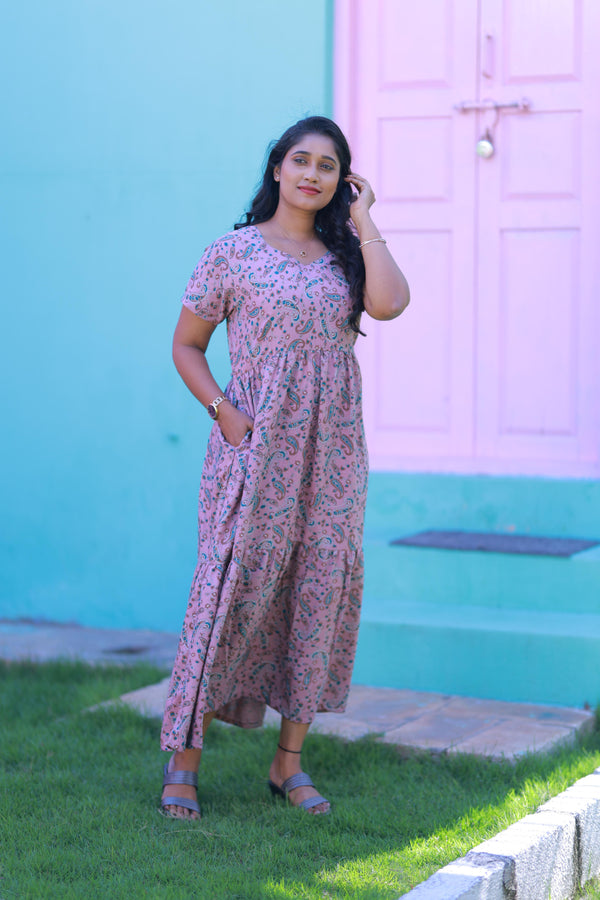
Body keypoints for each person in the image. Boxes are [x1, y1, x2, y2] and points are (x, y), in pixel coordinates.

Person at [160, 115, 410, 819]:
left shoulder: (346, 257)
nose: (312, 174)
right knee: (231, 586)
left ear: (341, 181)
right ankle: (184, 762)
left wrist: (363, 218)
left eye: (328, 167)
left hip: (331, 454)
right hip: (254, 445)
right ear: (277, 169)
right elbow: (186, 345)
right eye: (300, 160)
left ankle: (288, 763)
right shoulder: (232, 253)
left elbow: (390, 304)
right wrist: (223, 413)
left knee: (319, 588)